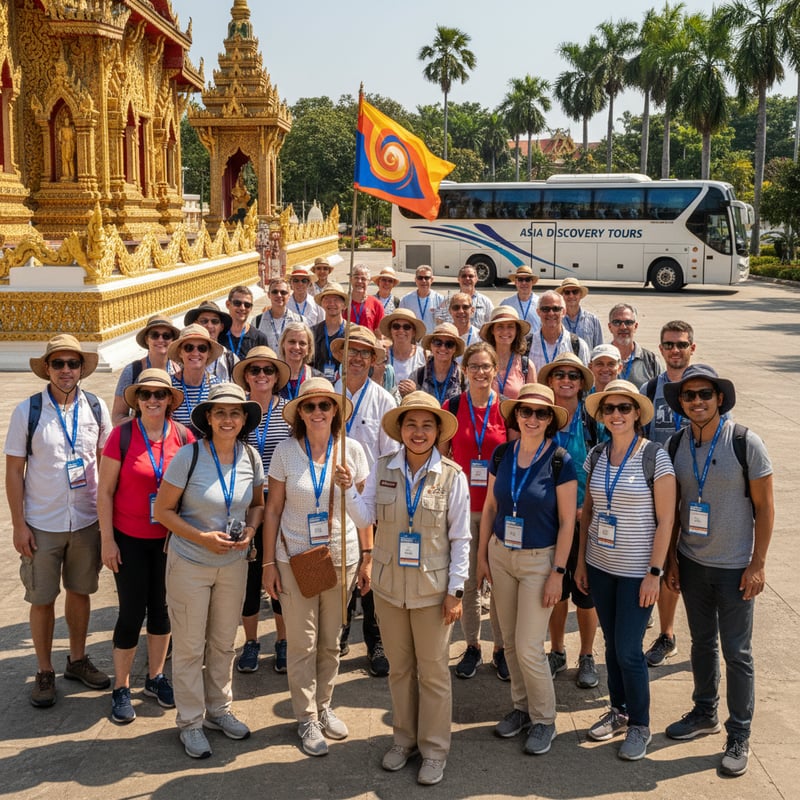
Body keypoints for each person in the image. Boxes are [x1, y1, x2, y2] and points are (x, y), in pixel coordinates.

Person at [344, 392, 470, 786]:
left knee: (433, 674)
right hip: (388, 588)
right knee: (400, 671)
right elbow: (365, 515)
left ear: (437, 432)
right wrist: (348, 488)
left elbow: (461, 539)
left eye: (427, 425)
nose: (418, 432)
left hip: (433, 591)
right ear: (400, 429)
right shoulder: (383, 468)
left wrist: (457, 590)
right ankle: (404, 741)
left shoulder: (452, 475)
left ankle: (434, 749)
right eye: (411, 425)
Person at [663, 366, 774, 778]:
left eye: (705, 394)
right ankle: (704, 712)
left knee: (738, 653)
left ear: (720, 398)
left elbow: (765, 508)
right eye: (689, 396)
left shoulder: (746, 442)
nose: (696, 402)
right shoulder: (677, 443)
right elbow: (674, 508)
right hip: (692, 563)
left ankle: (739, 732)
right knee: (701, 644)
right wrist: (673, 558)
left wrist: (757, 563)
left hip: (734, 569)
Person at [154, 383, 265, 759]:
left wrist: (250, 531)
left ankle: (219, 709)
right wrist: (202, 537)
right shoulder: (189, 456)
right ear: (209, 419)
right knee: (188, 646)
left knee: (223, 642)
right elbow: (163, 512)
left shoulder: (251, 456)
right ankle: (189, 720)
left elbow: (258, 504)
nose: (228, 419)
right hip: (191, 562)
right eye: (220, 413)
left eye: (235, 413)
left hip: (233, 564)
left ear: (244, 419)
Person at [262, 378, 371, 757]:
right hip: (296, 558)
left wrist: (368, 555)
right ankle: (305, 716)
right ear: (301, 413)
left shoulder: (352, 451)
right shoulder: (285, 451)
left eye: (325, 405)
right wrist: (267, 563)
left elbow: (364, 511)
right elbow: (273, 508)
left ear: (336, 410)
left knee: (331, 642)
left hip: (342, 557)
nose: (318, 413)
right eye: (310, 407)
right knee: (303, 643)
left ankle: (324, 705)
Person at [5, 335, 113, 708]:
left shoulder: (96, 408)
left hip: (84, 518)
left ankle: (77, 658)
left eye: (72, 364)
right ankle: (45, 669)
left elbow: (106, 466)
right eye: (58, 364)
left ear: (82, 368)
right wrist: (19, 524)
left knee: (81, 591)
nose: (66, 371)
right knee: (42, 597)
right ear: (47, 368)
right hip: (42, 521)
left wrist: (106, 522)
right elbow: (14, 471)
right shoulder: (28, 411)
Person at [576, 380, 676, 761]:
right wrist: (583, 561)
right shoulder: (597, 454)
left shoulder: (655, 457)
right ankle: (619, 710)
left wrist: (654, 572)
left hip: (637, 571)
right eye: (609, 408)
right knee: (612, 646)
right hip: (601, 567)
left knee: (630, 650)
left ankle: (640, 725)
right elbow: (589, 514)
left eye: (624, 407)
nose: (616, 414)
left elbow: (666, 520)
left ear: (637, 413)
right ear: (601, 416)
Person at [477, 384, 577, 757]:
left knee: (530, 646)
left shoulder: (559, 460)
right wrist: (483, 556)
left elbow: (568, 522)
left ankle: (545, 719)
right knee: (508, 642)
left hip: (540, 560)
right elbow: (490, 507)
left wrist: (558, 572)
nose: (532, 418)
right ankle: (521, 708)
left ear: (551, 419)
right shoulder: (502, 454)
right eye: (525, 412)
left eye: (541, 413)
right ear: (515, 415)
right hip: (502, 555)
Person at [98, 369, 193, 723]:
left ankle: (155, 676)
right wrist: (107, 540)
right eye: (146, 394)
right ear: (136, 400)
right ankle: (121, 686)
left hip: (169, 539)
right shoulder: (121, 436)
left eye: (160, 394)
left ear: (170, 400)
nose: (153, 400)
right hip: (130, 538)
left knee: (162, 609)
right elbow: (105, 492)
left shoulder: (183, 436)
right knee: (131, 612)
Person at [331, 325, 398, 675]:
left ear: (373, 360)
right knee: (336, 569)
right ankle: (339, 630)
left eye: (364, 353)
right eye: (351, 351)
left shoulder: (384, 401)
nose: (356, 358)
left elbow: (390, 457)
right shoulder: (327, 394)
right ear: (340, 355)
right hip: (328, 500)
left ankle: (375, 641)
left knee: (372, 573)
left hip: (370, 501)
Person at [443, 342, 509, 681]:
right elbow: (440, 459)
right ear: (464, 370)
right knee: (467, 584)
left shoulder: (508, 410)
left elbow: (514, 459)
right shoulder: (452, 406)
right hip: (464, 510)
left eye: (487, 366)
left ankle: (500, 648)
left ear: (496, 369)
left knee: (497, 583)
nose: (481, 372)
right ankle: (472, 645)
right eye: (474, 366)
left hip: (498, 511)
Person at [538, 353, 600, 690]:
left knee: (586, 593)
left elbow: (606, 465)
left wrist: (588, 509)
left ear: (580, 383)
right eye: (559, 374)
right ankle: (558, 650)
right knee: (557, 591)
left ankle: (587, 654)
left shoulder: (593, 421)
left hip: (585, 519)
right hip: (549, 520)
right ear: (550, 381)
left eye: (573, 376)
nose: (565, 380)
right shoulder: (543, 417)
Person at [231, 347, 292, 674]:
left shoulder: (288, 411)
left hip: (281, 503)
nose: (261, 376)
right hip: (247, 503)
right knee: (251, 576)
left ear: (276, 376)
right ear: (247, 376)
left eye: (268, 370)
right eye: (255, 370)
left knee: (279, 573)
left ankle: (282, 640)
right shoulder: (238, 410)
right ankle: (252, 641)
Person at [640, 321, 697, 669]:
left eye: (681, 344)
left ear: (692, 347)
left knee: (699, 566)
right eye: (669, 345)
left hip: (697, 491)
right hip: (658, 491)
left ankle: (707, 638)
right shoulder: (649, 388)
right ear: (660, 350)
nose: (675, 350)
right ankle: (667, 634)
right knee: (662, 562)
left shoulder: (703, 387)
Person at [112, 316, 180, 426]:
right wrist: (146, 423)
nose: (160, 340)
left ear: (173, 340)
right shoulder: (133, 371)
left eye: (166, 336)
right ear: (147, 339)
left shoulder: (178, 371)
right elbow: (118, 417)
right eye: (155, 335)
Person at [167, 324, 224, 435]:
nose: (195, 352)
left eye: (202, 348)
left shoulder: (218, 386)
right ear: (180, 352)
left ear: (209, 353)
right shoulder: (168, 386)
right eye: (189, 348)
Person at [529, 291, 591, 372]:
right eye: (545, 309)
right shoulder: (526, 345)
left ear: (564, 312)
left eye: (556, 309)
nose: (551, 313)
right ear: (538, 312)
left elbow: (586, 381)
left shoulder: (578, 345)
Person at [480, 306, 533, 400]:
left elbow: (532, 401)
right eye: (500, 326)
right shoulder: (481, 362)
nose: (505, 331)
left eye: (510, 326)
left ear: (517, 331)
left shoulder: (526, 366)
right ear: (492, 330)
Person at [606, 303, 662, 387]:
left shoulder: (651, 360)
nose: (623, 327)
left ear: (635, 326)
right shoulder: (599, 359)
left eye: (628, 322)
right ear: (610, 327)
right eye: (617, 322)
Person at [184, 301, 236, 382]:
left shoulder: (230, 359)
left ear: (221, 327)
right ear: (195, 324)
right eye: (204, 321)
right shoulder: (183, 355)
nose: (209, 326)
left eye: (214, 321)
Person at [379, 308, 427, 397]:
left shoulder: (423, 355)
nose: (401, 330)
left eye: (406, 327)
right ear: (391, 330)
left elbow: (430, 388)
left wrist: (415, 391)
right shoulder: (383, 355)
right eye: (396, 326)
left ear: (413, 332)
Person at [416, 323, 468, 405]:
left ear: (455, 348)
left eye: (449, 344)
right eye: (438, 343)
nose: (443, 348)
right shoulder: (418, 375)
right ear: (431, 346)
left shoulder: (464, 377)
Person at [311, 281, 347, 382]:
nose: (331, 303)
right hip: (318, 384)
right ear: (322, 303)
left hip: (345, 385)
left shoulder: (353, 331)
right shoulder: (313, 332)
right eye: (327, 299)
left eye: (336, 300)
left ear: (344, 305)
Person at [278, 322, 323, 402]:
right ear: (283, 344)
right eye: (292, 342)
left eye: (302, 343)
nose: (296, 347)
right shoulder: (272, 376)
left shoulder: (317, 377)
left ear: (309, 348)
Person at [255, 278, 303, 351]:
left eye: (283, 292)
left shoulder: (300, 321)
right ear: (268, 295)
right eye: (275, 292)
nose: (279, 295)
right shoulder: (257, 321)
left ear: (289, 296)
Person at [555, 278, 603, 350]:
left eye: (575, 292)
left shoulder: (593, 320)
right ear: (562, 296)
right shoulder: (555, 320)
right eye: (567, 292)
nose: (571, 296)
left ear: (580, 295)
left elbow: (599, 349)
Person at [225, 285, 270, 359]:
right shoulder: (219, 334)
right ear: (228, 304)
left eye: (247, 305)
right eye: (237, 303)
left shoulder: (259, 338)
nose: (242, 308)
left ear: (251, 308)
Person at [398, 264, 445, 332]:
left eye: (426, 278)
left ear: (432, 280)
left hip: (433, 340)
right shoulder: (406, 300)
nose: (423, 281)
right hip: (413, 340)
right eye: (420, 278)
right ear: (415, 280)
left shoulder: (440, 299)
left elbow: (445, 323)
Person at [499, 265, 541, 334]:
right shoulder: (506, 304)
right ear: (515, 282)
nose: (524, 283)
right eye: (520, 280)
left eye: (527, 280)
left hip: (535, 343)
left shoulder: (541, 303)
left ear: (532, 282)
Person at [344, 264, 384, 332]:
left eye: (363, 279)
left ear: (368, 281)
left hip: (368, 341)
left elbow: (380, 333)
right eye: (356, 277)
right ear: (350, 279)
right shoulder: (343, 302)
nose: (359, 281)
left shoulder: (376, 304)